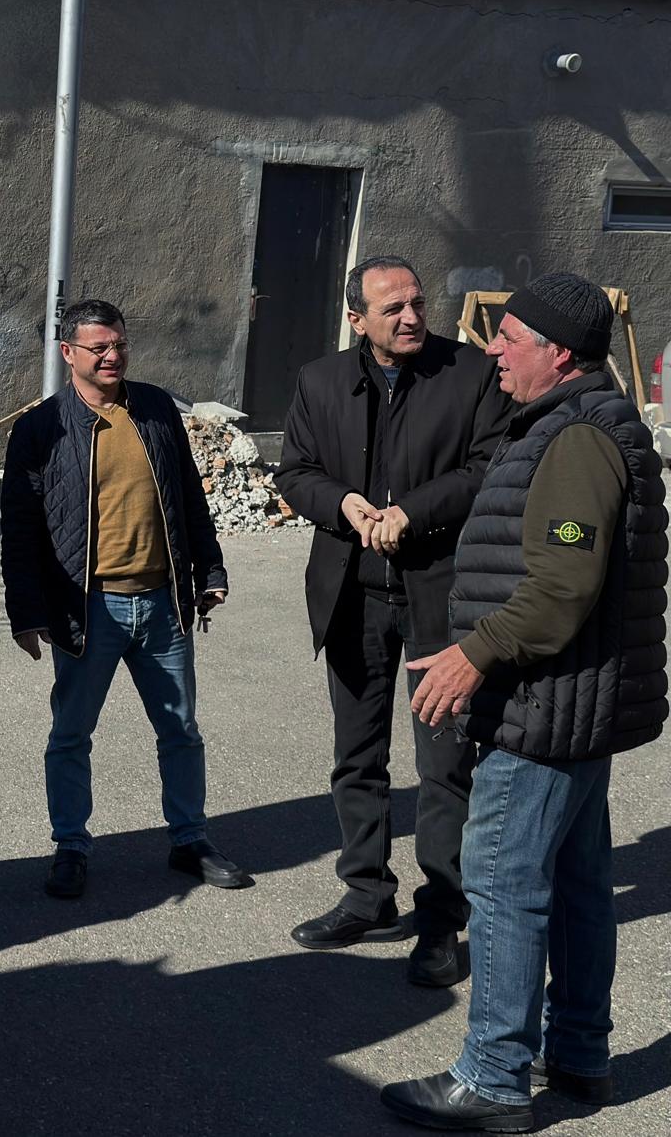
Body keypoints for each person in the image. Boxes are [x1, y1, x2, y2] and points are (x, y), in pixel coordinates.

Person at [381, 274, 667, 1132]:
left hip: (543, 708)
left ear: (560, 353)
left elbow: (562, 584)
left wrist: (475, 652)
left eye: (508, 338)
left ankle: (495, 1078)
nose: (492, 351)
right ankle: (578, 1055)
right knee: (576, 884)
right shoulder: (571, 423)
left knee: (504, 884)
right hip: (572, 704)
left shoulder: (577, 438)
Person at [275, 256, 511, 985]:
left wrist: (413, 512)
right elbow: (295, 472)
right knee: (357, 755)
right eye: (392, 309)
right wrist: (344, 504)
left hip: (442, 595)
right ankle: (367, 896)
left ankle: (441, 917)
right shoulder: (320, 380)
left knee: (444, 766)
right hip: (352, 594)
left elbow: (490, 466)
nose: (411, 317)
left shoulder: (470, 372)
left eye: (416, 303)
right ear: (356, 320)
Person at [1, 298, 248, 899]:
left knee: (180, 729)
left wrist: (209, 569)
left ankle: (190, 839)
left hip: (163, 603)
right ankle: (71, 846)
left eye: (120, 345)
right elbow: (21, 529)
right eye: (99, 348)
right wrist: (26, 612)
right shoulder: (40, 428)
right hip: (88, 609)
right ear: (68, 353)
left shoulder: (156, 409)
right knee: (71, 735)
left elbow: (188, 496)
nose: (113, 356)